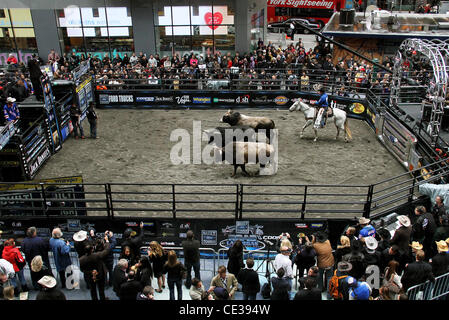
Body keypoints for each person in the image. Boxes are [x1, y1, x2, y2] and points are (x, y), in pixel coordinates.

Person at [79, 234, 111, 301]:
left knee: (92, 290)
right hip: (100, 275)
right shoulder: (97, 255)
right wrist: (107, 241)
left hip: (90, 277)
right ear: (92, 249)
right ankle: (102, 298)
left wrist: (90, 272)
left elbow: (82, 270)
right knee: (101, 289)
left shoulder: (81, 259)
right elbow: (106, 251)